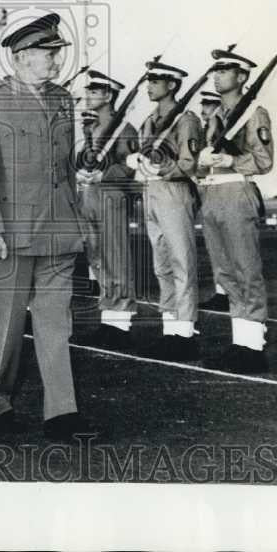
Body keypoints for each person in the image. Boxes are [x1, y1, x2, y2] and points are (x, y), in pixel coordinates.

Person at [0, 12, 96, 443]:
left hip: (58, 228)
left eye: (56, 54)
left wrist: (78, 219)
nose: (56, 62)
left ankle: (62, 412)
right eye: (48, 54)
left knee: (57, 323)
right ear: (21, 58)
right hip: (10, 232)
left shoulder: (62, 100)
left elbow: (65, 170)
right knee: (5, 326)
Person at [196, 48, 273, 373]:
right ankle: (240, 341)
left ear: (242, 76)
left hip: (237, 191)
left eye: (225, 70)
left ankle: (253, 346)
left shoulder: (254, 112)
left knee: (246, 271)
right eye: (215, 70)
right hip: (212, 194)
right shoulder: (215, 117)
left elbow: (264, 160)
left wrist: (232, 160)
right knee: (225, 273)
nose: (217, 75)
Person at [127, 60, 203, 361]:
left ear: (172, 85)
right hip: (152, 192)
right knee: (161, 264)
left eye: (156, 80)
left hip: (174, 192)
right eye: (148, 80)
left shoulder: (185, 120)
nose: (149, 85)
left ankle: (185, 332)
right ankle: (171, 329)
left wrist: (159, 166)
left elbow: (189, 164)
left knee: (181, 261)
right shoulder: (150, 120)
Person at [74, 70, 139, 350]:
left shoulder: (124, 128)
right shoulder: (89, 128)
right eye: (88, 91)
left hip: (111, 196)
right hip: (89, 195)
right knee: (97, 258)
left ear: (109, 96)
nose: (88, 96)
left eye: (94, 91)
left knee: (116, 259)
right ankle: (108, 317)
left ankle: (121, 323)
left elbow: (129, 166)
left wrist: (105, 175)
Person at [195, 90, 230, 312]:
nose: (203, 110)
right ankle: (222, 292)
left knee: (229, 247)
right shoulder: (205, 129)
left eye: (208, 105)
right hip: (209, 188)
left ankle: (230, 293)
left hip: (226, 188)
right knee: (216, 248)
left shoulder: (224, 126)